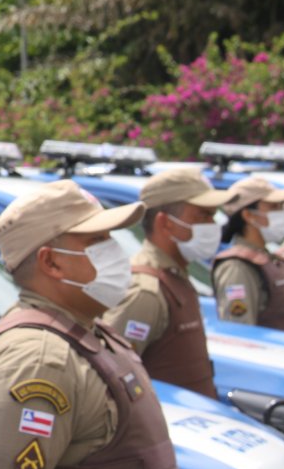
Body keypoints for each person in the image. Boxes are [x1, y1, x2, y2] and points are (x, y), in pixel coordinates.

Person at [0, 180, 196, 469]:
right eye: (97, 240)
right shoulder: (39, 360)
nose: (116, 252)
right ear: (51, 262)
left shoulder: (90, 330)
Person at [101, 169, 237, 398]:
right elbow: (114, 380)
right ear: (166, 223)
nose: (212, 225)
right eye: (202, 216)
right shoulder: (146, 292)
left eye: (213, 216)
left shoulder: (175, 276)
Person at [211, 175, 284, 334]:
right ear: (248, 215)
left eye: (282, 207)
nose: (282, 214)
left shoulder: (269, 259)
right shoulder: (237, 267)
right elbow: (239, 333)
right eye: (274, 207)